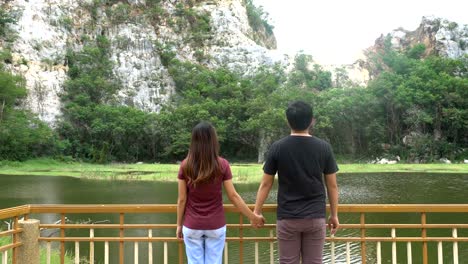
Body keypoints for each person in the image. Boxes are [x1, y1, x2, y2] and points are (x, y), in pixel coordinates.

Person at [253, 100, 339, 264]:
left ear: (288, 120)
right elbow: (332, 186)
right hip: (315, 217)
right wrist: (334, 215)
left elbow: (266, 184)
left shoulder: (278, 147)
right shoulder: (324, 147)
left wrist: (256, 212)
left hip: (288, 217)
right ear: (312, 120)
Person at [176, 121, 264, 264]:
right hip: (216, 225)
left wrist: (179, 225)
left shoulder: (186, 165)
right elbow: (233, 196)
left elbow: (181, 200)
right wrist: (252, 216)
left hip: (192, 225)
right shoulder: (222, 164)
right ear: (213, 141)